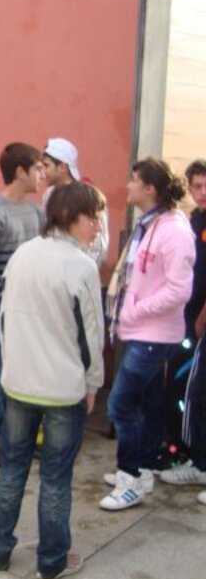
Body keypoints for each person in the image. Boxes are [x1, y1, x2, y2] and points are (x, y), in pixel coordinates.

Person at [0, 182, 104, 579]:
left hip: (18, 384)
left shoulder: (23, 254)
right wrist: (93, 385)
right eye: (92, 218)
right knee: (55, 477)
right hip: (61, 390)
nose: (97, 226)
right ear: (69, 217)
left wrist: (10, 368)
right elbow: (92, 336)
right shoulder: (81, 267)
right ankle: (51, 561)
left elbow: (4, 319)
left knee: (12, 468)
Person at [101, 157, 195, 510]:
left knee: (120, 404)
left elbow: (179, 290)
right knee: (150, 402)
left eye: (134, 180)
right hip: (141, 331)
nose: (128, 185)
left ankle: (129, 478)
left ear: (151, 189)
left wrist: (136, 309)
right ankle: (143, 470)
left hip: (155, 335)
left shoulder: (174, 231)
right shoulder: (150, 223)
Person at [0, 143, 44, 467]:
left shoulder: (37, 213)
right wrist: (5, 312)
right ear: (20, 172)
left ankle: (19, 439)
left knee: (25, 377)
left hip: (32, 310)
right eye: (37, 168)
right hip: (3, 311)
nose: (42, 174)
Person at [159, 159, 206, 495]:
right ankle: (182, 449)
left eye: (205, 185)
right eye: (196, 186)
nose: (201, 192)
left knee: (193, 391)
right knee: (181, 385)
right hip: (186, 318)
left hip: (200, 321)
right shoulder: (194, 220)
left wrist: (202, 315)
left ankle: (196, 459)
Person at [42, 137, 109, 267]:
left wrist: (82, 269)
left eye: (47, 166)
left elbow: (99, 246)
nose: (43, 173)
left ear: (62, 167)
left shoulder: (89, 197)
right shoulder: (49, 195)